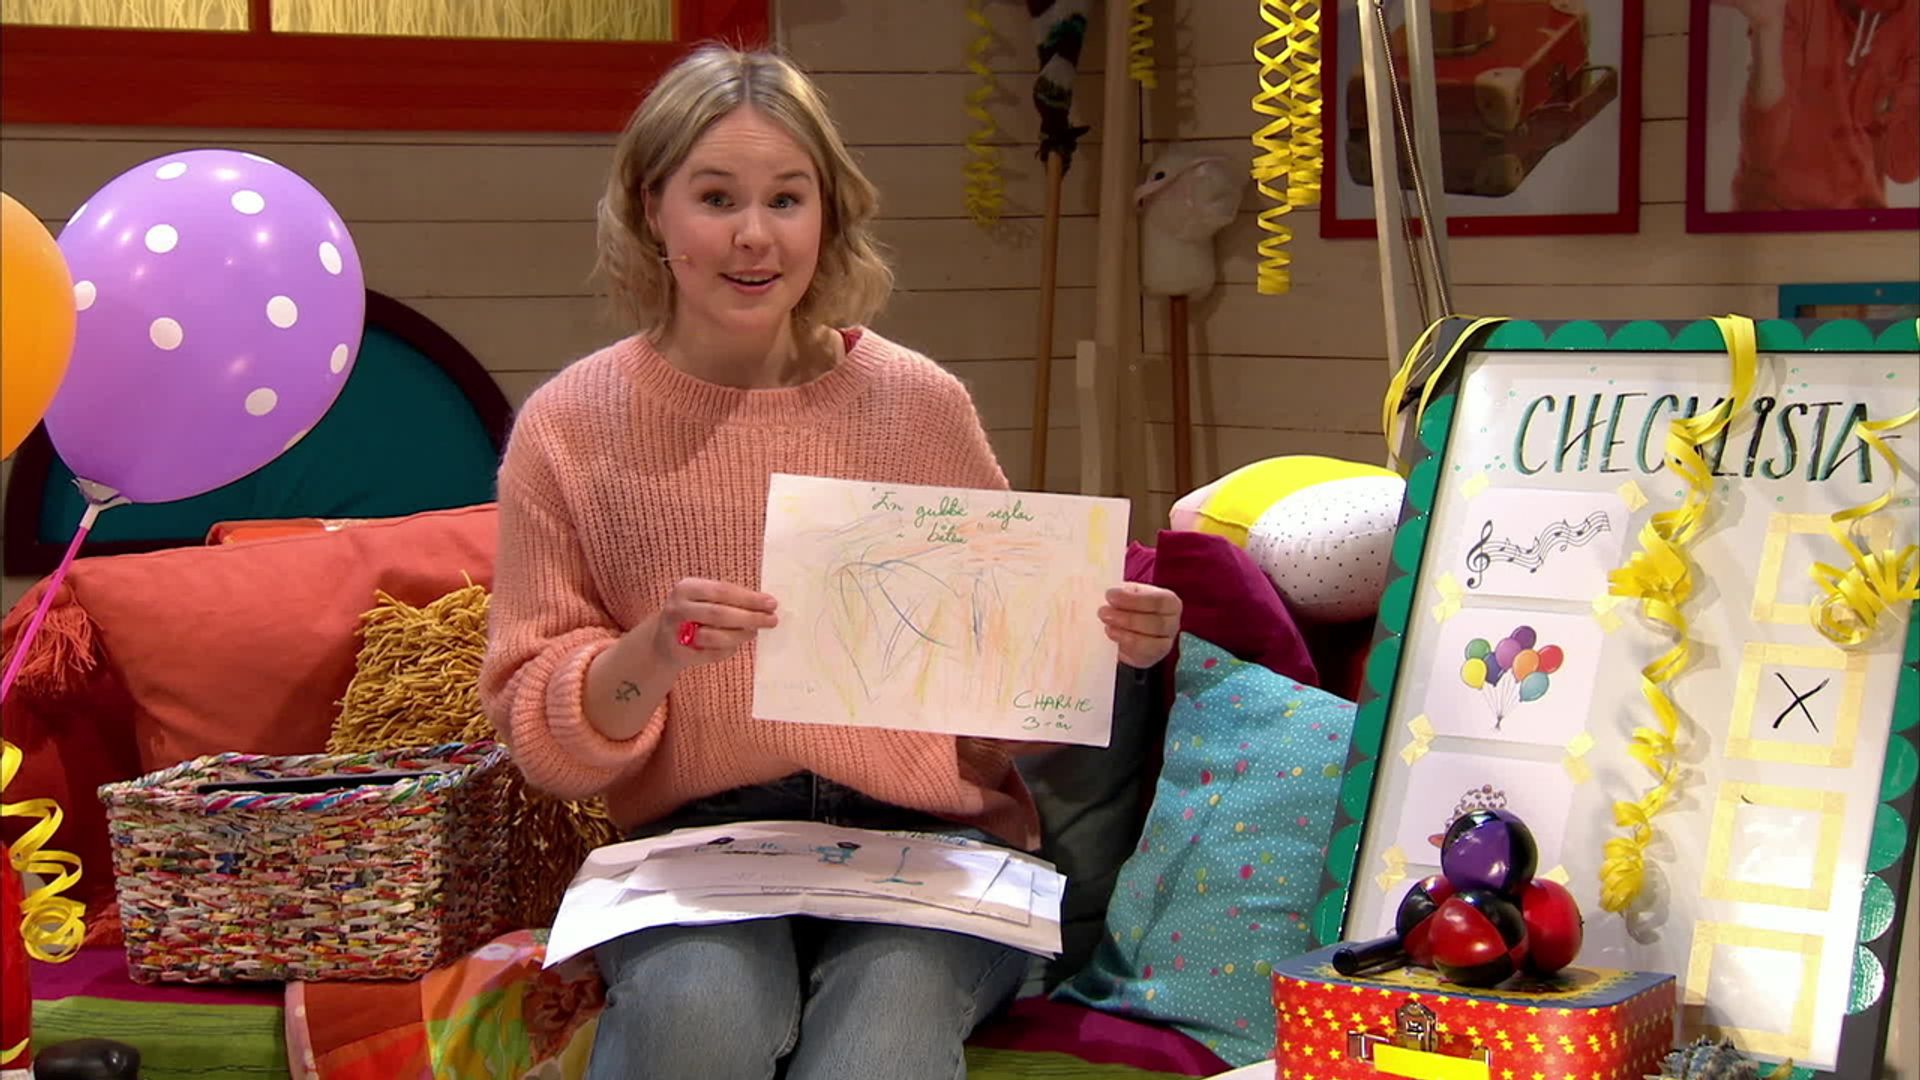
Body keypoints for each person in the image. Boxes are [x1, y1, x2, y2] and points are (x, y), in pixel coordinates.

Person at [477, 44, 1184, 1080]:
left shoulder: (919, 405)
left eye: (787, 198)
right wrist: (653, 653)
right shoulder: (569, 428)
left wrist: (1102, 648)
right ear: (650, 207)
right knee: (694, 1020)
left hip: (933, 841)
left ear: (828, 214)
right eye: (716, 197)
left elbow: (997, 708)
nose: (754, 235)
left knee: (878, 1046)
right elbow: (544, 745)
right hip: (698, 844)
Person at [1713, 0, 1918, 210]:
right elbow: (1763, 152)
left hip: (1861, 218)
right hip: (1774, 214)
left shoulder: (1912, 16)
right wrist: (1768, 29)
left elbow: (1902, 167)